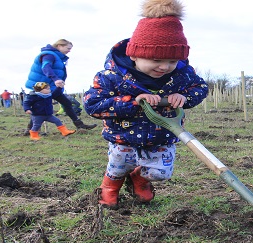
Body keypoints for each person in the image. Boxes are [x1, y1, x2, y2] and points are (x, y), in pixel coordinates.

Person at [83, 0, 209, 210]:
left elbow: (201, 88)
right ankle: (110, 188)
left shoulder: (182, 74)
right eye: (157, 60)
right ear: (134, 54)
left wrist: (184, 97)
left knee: (161, 172)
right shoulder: (112, 77)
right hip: (123, 137)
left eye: (172, 61)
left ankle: (139, 179)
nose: (165, 67)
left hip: (163, 135)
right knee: (118, 167)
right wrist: (133, 102)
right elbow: (92, 104)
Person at [25, 39, 96, 134]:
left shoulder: (56, 56)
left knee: (66, 103)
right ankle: (30, 129)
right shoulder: (49, 55)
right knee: (40, 108)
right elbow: (46, 67)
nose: (69, 51)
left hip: (50, 87)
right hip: (42, 88)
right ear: (59, 46)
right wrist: (56, 79)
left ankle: (80, 125)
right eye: (68, 48)